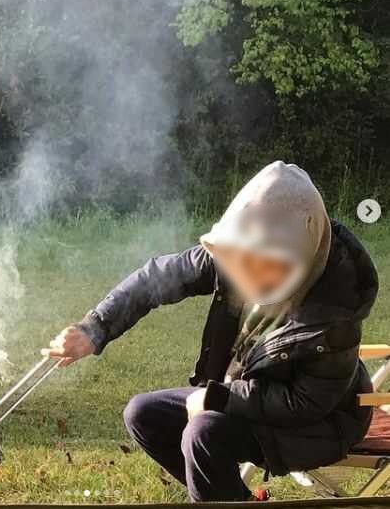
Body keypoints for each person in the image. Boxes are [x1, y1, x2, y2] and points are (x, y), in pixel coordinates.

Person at [43, 161, 378, 502]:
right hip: (251, 391)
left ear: (300, 254)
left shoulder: (336, 312)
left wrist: (219, 398)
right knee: (143, 415)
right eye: (246, 261)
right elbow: (156, 278)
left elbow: (305, 403)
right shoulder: (240, 253)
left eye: (269, 266)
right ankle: (233, 498)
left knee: (203, 433)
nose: (250, 275)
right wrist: (95, 328)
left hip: (323, 424)